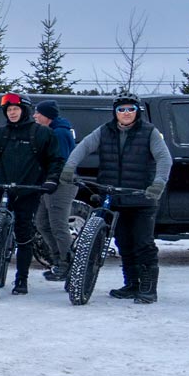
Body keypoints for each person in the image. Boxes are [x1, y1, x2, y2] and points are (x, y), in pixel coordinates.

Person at [62, 94, 170, 304]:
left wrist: (158, 184)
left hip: (141, 198)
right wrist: (69, 167)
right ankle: (131, 284)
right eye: (121, 110)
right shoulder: (104, 131)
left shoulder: (149, 132)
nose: (126, 113)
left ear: (137, 111)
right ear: (115, 113)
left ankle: (148, 289)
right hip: (116, 198)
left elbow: (164, 158)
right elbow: (83, 147)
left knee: (143, 244)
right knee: (124, 243)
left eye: (130, 109)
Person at [0, 93, 65, 295]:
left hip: (28, 191)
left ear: (24, 110)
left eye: (15, 109)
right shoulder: (0, 133)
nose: (12, 113)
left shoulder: (42, 134)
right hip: (3, 188)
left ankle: (21, 280)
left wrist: (51, 179)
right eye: (8, 110)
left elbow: (55, 160)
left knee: (24, 235)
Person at [34, 99, 80, 281]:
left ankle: (68, 263)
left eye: (38, 113)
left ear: (47, 115)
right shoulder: (51, 131)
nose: (35, 116)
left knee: (58, 225)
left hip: (61, 184)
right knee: (42, 223)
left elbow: (58, 160)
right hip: (48, 183)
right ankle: (58, 259)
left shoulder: (60, 133)